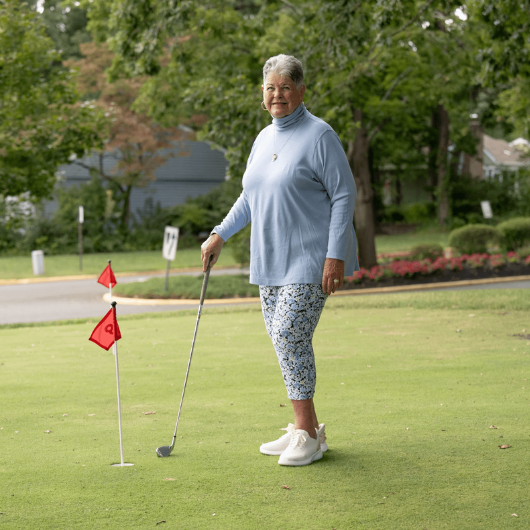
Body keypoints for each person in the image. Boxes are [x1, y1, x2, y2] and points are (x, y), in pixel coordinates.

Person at [201, 54, 358, 466]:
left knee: (289, 335)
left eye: (285, 87)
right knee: (283, 341)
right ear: (262, 94)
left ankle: (305, 433)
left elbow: (344, 194)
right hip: (271, 258)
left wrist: (335, 255)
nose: (277, 95)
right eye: (270, 88)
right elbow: (251, 196)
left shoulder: (320, 135)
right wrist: (220, 233)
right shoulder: (262, 138)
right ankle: (306, 430)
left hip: (310, 258)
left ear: (301, 91)